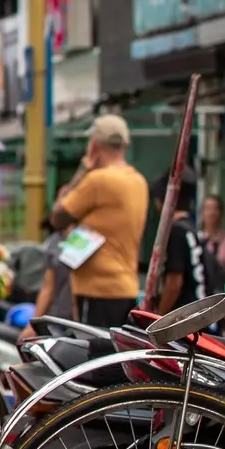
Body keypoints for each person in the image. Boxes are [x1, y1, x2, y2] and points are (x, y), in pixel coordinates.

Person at [48, 115, 148, 329]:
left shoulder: (97, 180)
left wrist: (83, 170)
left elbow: (57, 216)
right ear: (125, 145)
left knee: (95, 358)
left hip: (97, 289)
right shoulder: (138, 181)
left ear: (94, 145)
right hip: (126, 286)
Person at [154, 172, 223, 316]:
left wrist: (159, 316)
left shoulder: (176, 231)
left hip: (185, 319)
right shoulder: (190, 229)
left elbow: (174, 282)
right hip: (199, 312)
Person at [199, 193, 225, 270]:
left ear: (220, 212)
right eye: (207, 209)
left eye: (215, 208)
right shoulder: (197, 238)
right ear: (202, 213)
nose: (211, 213)